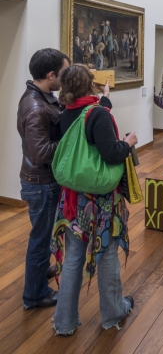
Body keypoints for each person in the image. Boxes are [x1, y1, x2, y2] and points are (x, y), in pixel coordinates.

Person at [51, 64, 138, 336]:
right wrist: (129, 142)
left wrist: (106, 97)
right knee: (107, 252)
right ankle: (113, 311)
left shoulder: (66, 112)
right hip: (100, 201)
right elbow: (111, 153)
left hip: (73, 199)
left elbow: (91, 121)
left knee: (74, 256)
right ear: (90, 83)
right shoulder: (97, 113)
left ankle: (64, 322)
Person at [17, 48, 70, 310]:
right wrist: (71, 143)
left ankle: (38, 276)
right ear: (51, 75)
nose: (65, 77)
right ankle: (35, 295)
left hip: (42, 182)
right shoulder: (36, 107)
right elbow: (41, 153)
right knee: (40, 240)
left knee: (44, 237)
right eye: (63, 72)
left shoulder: (41, 97)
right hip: (41, 184)